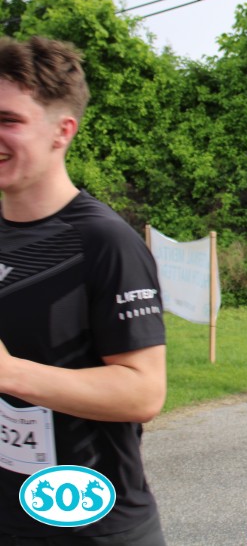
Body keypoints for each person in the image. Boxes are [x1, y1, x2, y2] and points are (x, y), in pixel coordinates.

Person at [0, 36, 167, 543]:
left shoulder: (103, 241)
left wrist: (10, 373)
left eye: (9, 120)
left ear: (62, 131)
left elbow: (143, 391)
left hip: (91, 528)